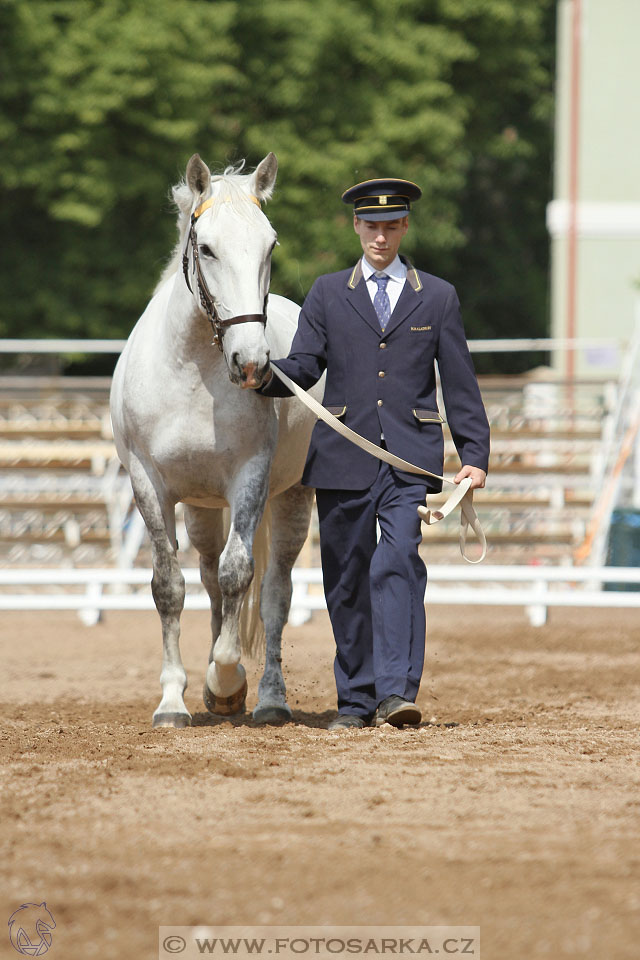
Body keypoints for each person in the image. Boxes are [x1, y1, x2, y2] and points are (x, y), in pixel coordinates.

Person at [256, 178, 490, 730]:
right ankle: (356, 701)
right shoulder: (327, 293)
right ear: (356, 227)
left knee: (398, 562)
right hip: (342, 457)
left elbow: (459, 382)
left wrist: (474, 453)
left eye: (391, 225)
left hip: (410, 461)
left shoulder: (437, 295)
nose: (380, 235)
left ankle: (395, 694)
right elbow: (305, 367)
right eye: (371, 225)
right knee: (345, 577)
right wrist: (262, 374)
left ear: (404, 227)